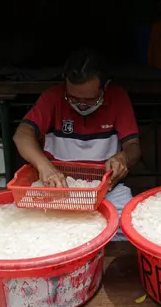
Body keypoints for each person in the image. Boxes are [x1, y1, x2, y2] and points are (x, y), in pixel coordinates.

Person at [13, 49, 141, 238]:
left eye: (89, 99)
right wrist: (45, 167)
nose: (81, 105)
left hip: (106, 190)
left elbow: (134, 147)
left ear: (105, 86)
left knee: (128, 228)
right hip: (56, 189)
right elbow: (22, 135)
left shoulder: (118, 98)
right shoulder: (53, 97)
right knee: (38, 235)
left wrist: (123, 158)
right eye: (73, 98)